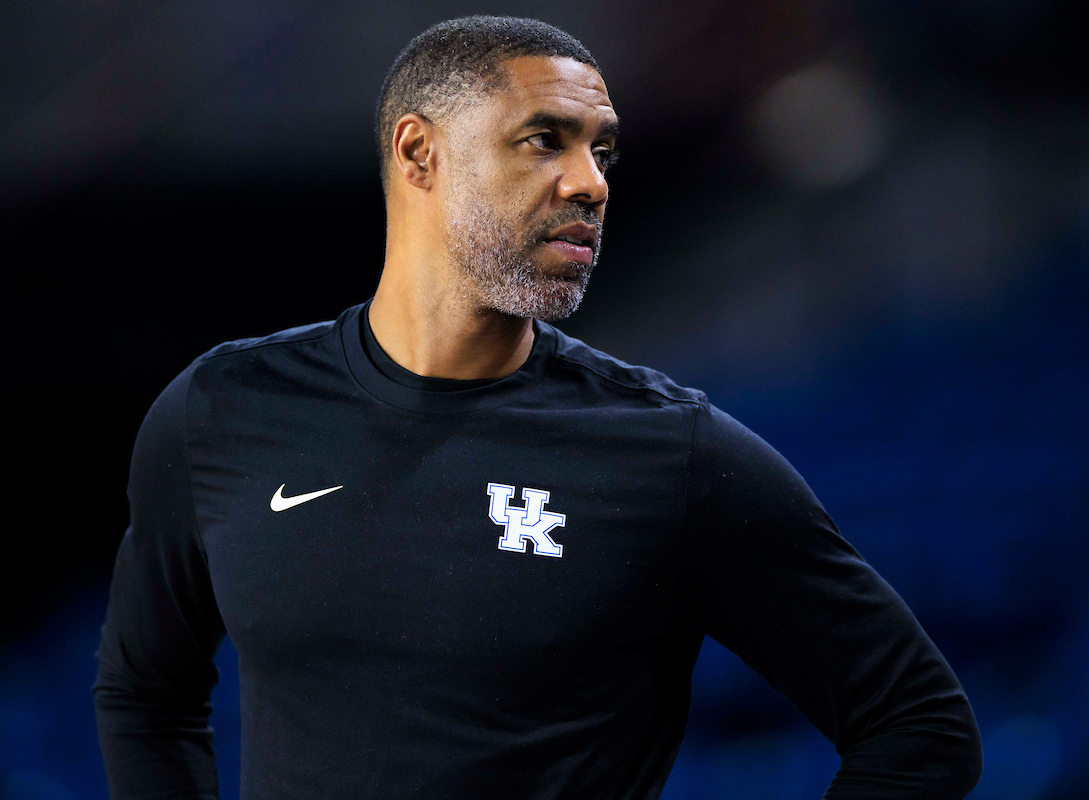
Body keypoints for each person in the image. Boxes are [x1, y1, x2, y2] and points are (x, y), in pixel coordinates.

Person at [94, 15, 982, 800]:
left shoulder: (673, 454)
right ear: (419, 153)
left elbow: (919, 723)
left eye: (603, 151)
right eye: (545, 140)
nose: (591, 182)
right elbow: (146, 695)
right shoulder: (221, 410)